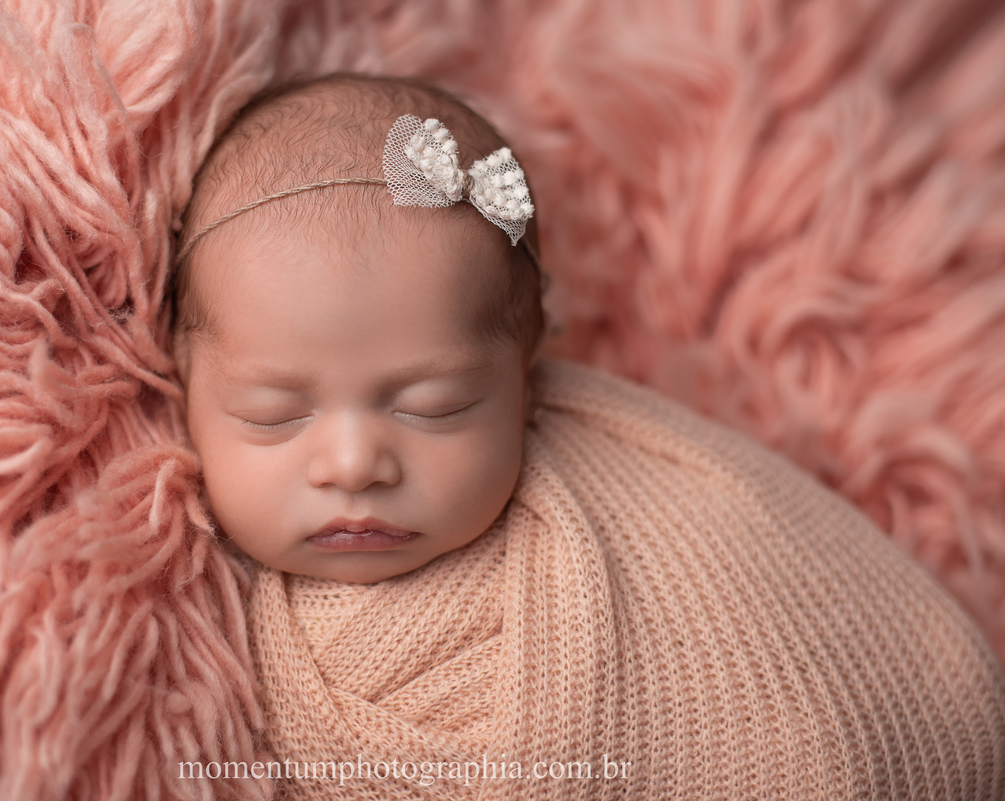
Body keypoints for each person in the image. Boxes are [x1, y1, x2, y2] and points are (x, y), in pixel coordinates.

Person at [172, 73, 1005, 800]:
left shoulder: (635, 478)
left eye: (435, 404)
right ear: (183, 384)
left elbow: (774, 576)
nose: (354, 462)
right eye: (275, 414)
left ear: (525, 376)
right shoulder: (172, 614)